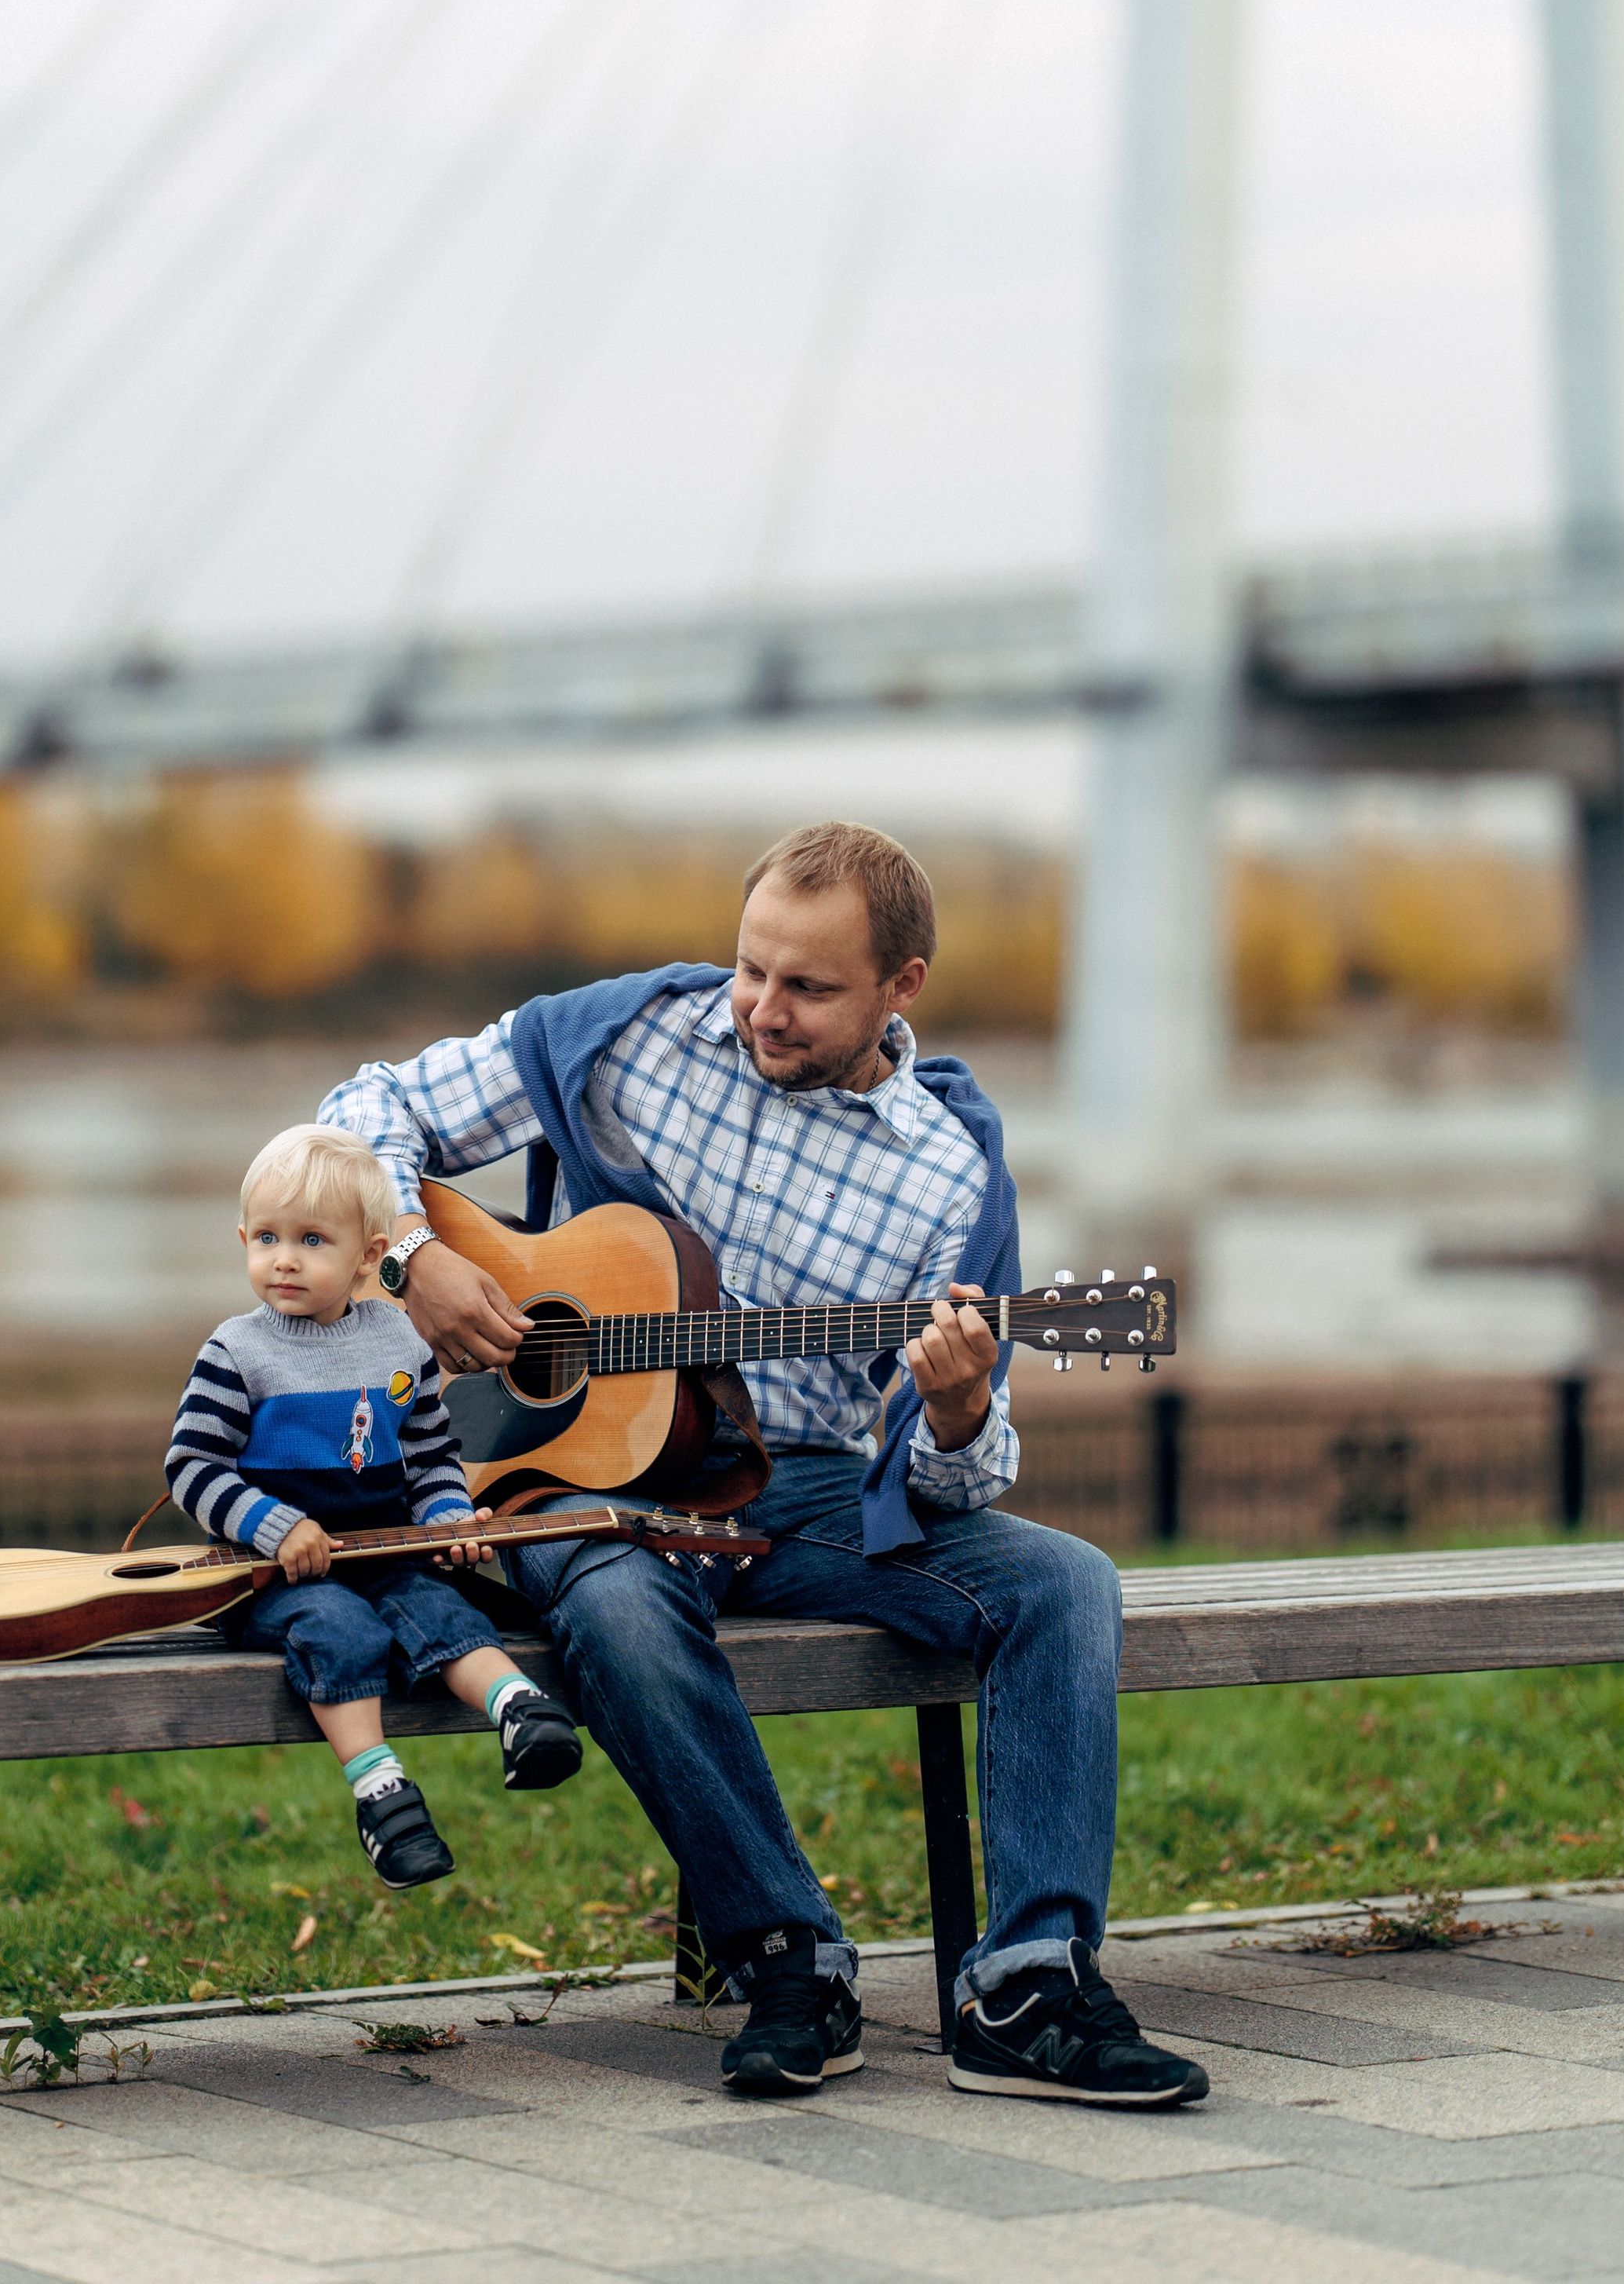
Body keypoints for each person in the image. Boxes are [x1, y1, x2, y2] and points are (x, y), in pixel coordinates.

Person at [322, 820, 1209, 2107]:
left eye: (808, 987)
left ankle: (1029, 1986)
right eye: (750, 968)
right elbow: (361, 1111)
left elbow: (944, 1480)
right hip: (578, 1480)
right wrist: (414, 1255)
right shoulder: (637, 1039)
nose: (761, 1009)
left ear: (902, 988)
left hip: (800, 1487)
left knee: (1063, 1582)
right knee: (618, 1600)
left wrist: (958, 1414)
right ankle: (789, 1957)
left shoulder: (949, 1179)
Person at [165, 1122, 582, 1887]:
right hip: (272, 1578)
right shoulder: (238, 1352)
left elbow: (428, 1457)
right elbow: (191, 1467)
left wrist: (447, 1517)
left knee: (445, 1613)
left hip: (383, 1555)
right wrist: (276, 1527)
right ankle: (382, 1796)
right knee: (341, 1631)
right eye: (265, 1237)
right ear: (242, 1239)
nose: (283, 1258)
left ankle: (523, 1713)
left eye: (312, 1240)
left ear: (366, 1256)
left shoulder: (401, 1344)